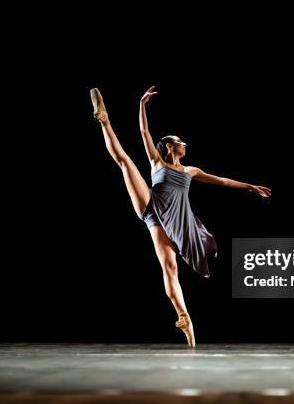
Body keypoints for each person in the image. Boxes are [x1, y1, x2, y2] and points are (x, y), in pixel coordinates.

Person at [90, 86, 271, 347]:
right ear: (171, 146)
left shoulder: (191, 171)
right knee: (125, 162)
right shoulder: (157, 162)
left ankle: (184, 317)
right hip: (151, 205)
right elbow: (144, 132)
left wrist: (250, 187)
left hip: (170, 220)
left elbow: (221, 181)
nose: (185, 144)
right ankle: (104, 120)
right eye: (181, 141)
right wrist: (142, 105)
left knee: (170, 267)